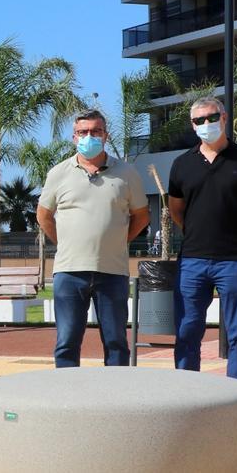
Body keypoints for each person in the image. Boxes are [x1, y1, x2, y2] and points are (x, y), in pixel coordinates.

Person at [169, 97, 237, 382]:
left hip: (235, 262)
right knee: (187, 330)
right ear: (192, 125)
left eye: (211, 117)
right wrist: (198, 235)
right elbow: (176, 211)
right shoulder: (181, 165)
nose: (206, 124)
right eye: (199, 120)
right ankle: (188, 393)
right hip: (192, 261)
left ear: (224, 117)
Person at [37, 110, 150, 368]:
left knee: (116, 343)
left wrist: (121, 240)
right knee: (66, 342)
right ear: (74, 137)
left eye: (96, 132)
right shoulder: (59, 172)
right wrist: (64, 243)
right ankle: (67, 401)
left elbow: (141, 216)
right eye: (83, 132)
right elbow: (43, 215)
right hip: (69, 272)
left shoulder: (127, 173)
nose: (89, 137)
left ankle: (116, 400)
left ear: (106, 136)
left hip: (112, 272)